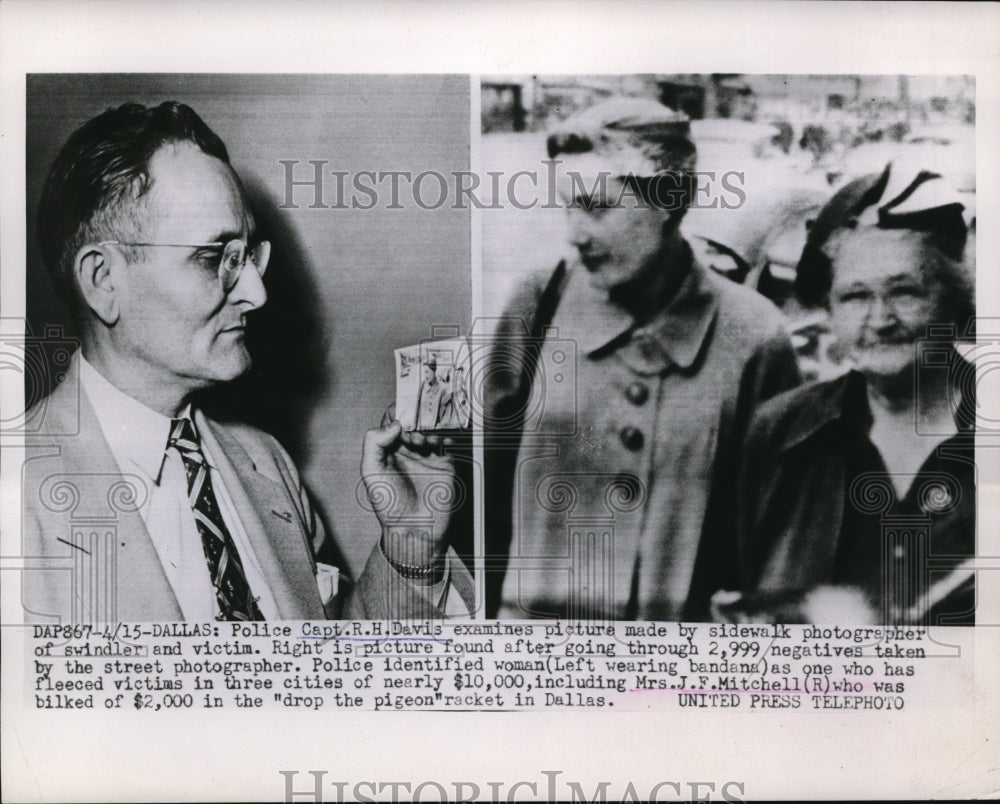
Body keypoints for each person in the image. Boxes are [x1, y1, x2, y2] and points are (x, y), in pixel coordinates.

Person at [23, 101, 472, 623]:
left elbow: (334, 679)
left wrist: (410, 551)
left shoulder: (266, 462)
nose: (256, 293)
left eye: (248, 255)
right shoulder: (17, 495)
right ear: (103, 281)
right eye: (214, 258)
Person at [484, 98, 801, 621]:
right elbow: (483, 494)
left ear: (669, 199)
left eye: (595, 206)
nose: (575, 233)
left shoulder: (754, 334)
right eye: (568, 207)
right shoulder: (537, 302)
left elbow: (776, 537)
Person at [727, 164, 976, 625]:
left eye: (905, 292)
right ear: (830, 312)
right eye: (855, 297)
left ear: (953, 301)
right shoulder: (780, 433)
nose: (880, 320)